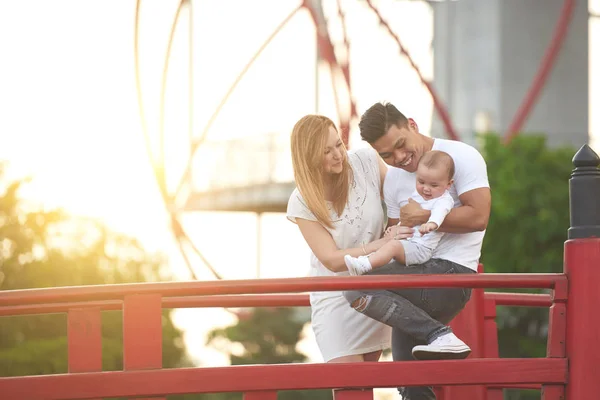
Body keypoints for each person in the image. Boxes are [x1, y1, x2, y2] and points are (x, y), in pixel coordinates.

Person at [343, 102, 491, 400]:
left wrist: (423, 217)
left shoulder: (460, 156)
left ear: (412, 124)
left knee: (355, 285)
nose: (399, 158)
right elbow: (402, 232)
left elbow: (479, 217)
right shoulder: (395, 180)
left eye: (400, 145)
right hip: (415, 278)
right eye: (387, 154)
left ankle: (439, 335)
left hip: (451, 276)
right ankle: (438, 336)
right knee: (410, 383)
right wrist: (390, 234)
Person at [286, 114, 393, 364]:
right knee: (350, 385)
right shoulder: (301, 200)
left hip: (375, 289)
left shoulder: (366, 161)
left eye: (339, 144)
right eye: (326, 151)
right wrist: (383, 244)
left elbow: (402, 200)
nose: (338, 155)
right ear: (309, 157)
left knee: (365, 387)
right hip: (335, 295)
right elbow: (332, 261)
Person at [344, 150, 455, 275]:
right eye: (421, 182)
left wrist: (432, 224)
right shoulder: (419, 195)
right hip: (408, 243)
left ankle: (365, 265)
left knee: (393, 246)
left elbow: (440, 213)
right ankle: (366, 262)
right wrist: (396, 228)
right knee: (389, 244)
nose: (426, 188)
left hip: (421, 249)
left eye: (434, 185)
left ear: (448, 184)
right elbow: (409, 220)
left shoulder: (443, 200)